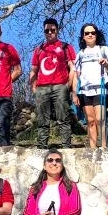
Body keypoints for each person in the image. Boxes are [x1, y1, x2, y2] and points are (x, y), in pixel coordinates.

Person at [29, 17, 77, 149]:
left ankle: (66, 146)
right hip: (42, 87)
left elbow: (73, 68)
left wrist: (68, 86)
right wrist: (33, 86)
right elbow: (34, 70)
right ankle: (41, 146)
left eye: (52, 30)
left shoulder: (66, 47)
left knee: (63, 118)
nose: (50, 32)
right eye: (47, 31)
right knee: (42, 119)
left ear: (57, 30)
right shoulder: (39, 49)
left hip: (60, 86)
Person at [71, 23, 108, 149]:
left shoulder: (103, 49)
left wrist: (105, 63)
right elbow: (76, 75)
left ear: (96, 34)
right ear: (83, 36)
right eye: (87, 33)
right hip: (85, 91)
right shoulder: (80, 53)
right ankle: (92, 148)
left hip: (100, 88)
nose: (90, 35)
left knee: (100, 118)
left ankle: (104, 146)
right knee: (90, 121)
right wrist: (74, 94)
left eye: (93, 32)